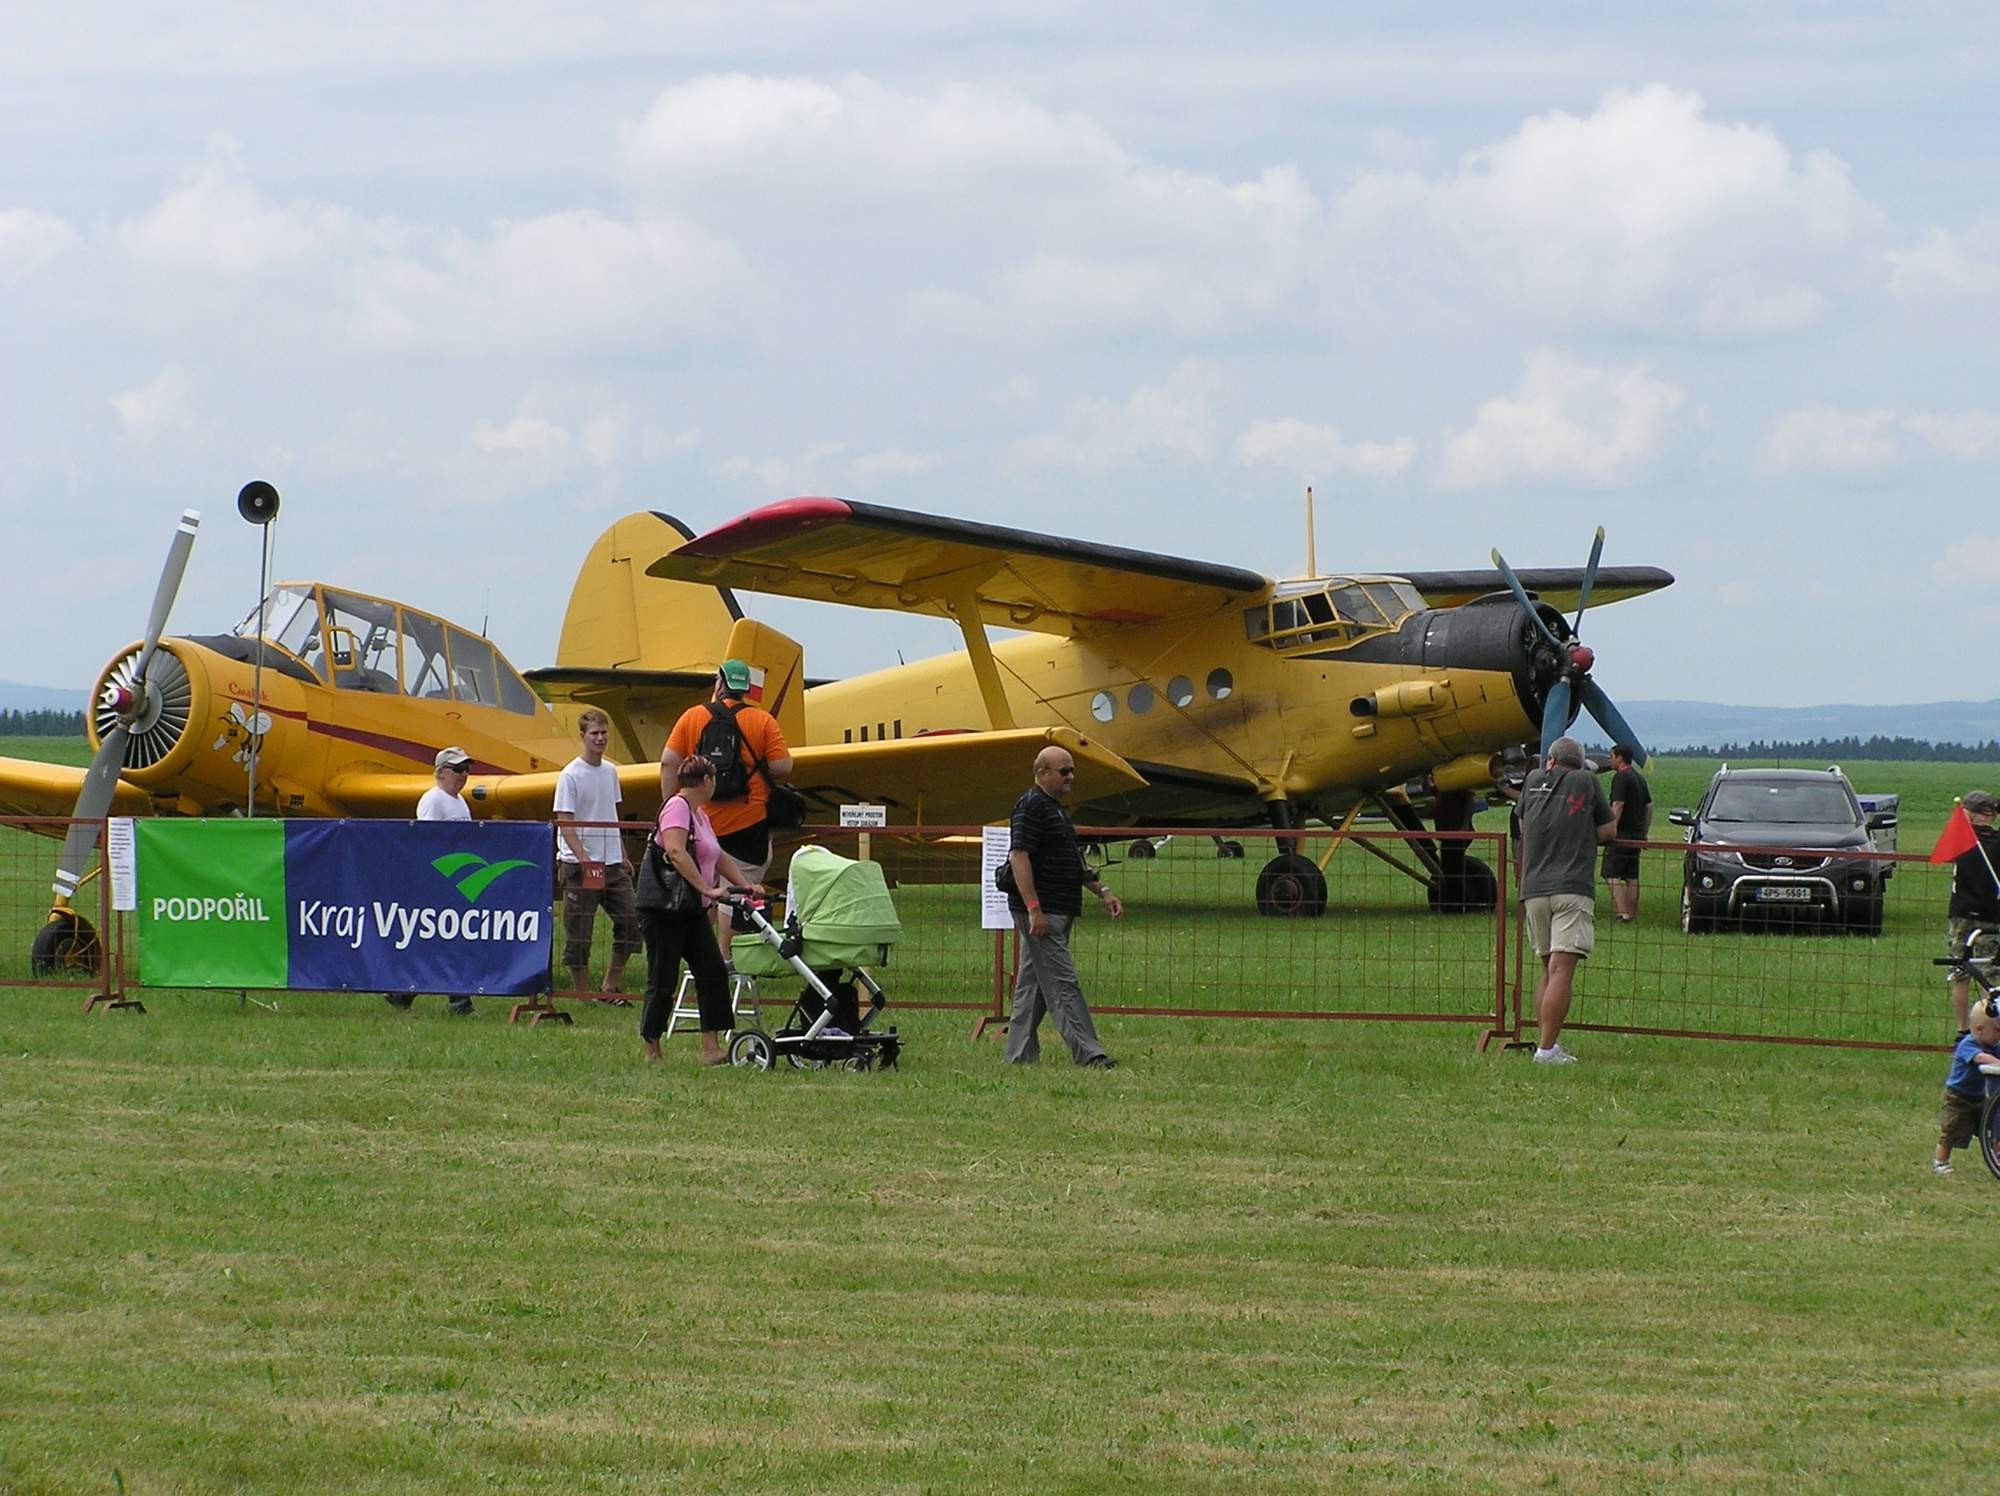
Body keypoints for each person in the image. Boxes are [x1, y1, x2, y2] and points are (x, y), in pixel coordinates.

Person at [1003, 745, 1124, 1068]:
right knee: (1062, 981)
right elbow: (1018, 856)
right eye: (1064, 771)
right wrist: (1034, 909)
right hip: (1044, 910)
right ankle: (1089, 1054)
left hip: (1059, 907)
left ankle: (1018, 1055)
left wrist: (1103, 891)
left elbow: (1072, 860)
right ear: (1042, 773)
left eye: (1072, 770)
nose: (1071, 777)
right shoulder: (1030, 806)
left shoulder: (1054, 809)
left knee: (1032, 985)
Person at [661, 659, 793, 954]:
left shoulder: (693, 716)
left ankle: (699, 958)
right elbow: (783, 766)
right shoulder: (763, 721)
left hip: (702, 821)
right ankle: (726, 959)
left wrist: (672, 805)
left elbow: (668, 762)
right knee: (740, 892)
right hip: (749, 823)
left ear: (720, 683)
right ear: (746, 688)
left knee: (702, 891)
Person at [638, 755, 762, 1067]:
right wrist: (706, 888)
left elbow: (717, 856)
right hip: (664, 910)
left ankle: (710, 1047)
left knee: (713, 970)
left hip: (691, 909)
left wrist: (745, 885)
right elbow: (675, 851)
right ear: (706, 781)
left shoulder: (700, 815)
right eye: (714, 779)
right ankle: (652, 1046)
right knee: (662, 978)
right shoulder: (677, 807)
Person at [1518, 735, 1615, 1065]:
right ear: (1580, 763)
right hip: (1571, 886)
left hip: (1533, 888)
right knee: (1562, 970)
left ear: (1550, 760)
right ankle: (1546, 1051)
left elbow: (1524, 824)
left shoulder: (1532, 781)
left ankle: (1547, 1043)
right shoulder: (1586, 781)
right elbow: (1609, 831)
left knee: (1547, 968)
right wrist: (1581, 835)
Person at [554, 708, 641, 1001]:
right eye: (594, 734)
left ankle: (609, 986)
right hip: (579, 865)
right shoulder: (570, 775)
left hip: (612, 862)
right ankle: (582, 994)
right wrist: (584, 858)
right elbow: (564, 821)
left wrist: (623, 853)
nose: (600, 738)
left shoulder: (611, 772)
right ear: (583, 736)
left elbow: (612, 814)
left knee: (631, 922)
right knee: (579, 931)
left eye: (604, 733)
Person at [386, 745, 479, 1015]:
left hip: (458, 881)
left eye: (467, 769)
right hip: (441, 882)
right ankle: (458, 1002)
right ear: (442, 772)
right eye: (459, 769)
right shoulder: (433, 800)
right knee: (448, 941)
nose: (464, 775)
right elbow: (426, 842)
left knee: (446, 942)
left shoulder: (459, 801)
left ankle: (402, 994)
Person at [1945, 790, 2000, 1035]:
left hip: (1962, 914)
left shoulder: (1960, 841)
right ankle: (1992, 1029)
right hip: (1992, 915)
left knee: (1960, 972)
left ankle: (1962, 1029)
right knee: (1992, 976)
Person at [1933, 997, 2000, 1175]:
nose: (1999, 1035)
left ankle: (1997, 1155)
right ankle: (1940, 1161)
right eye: (1997, 1030)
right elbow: (1980, 1058)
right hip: (1958, 1097)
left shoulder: (1993, 1045)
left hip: (1979, 1097)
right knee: (1951, 1129)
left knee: (1993, 1124)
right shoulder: (1968, 1044)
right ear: (1979, 1029)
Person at [1602, 744, 1652, 923]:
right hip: (1636, 834)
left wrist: (1611, 829)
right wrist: (1643, 832)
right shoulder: (1639, 778)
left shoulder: (1621, 777)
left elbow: (1618, 804)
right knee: (1631, 876)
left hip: (1621, 834)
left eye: (1611, 757)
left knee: (1610, 873)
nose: (1610, 760)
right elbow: (1649, 806)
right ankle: (1632, 914)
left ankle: (1623, 914)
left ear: (1619, 758)